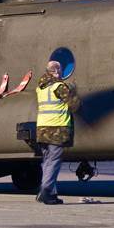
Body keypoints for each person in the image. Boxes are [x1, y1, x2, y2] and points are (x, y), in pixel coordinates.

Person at [33, 60, 79, 205]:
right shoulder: (59, 87)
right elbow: (74, 105)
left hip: (42, 129)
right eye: (59, 71)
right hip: (56, 129)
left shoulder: (40, 88)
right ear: (57, 71)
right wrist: (74, 91)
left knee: (47, 161)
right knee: (54, 161)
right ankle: (46, 191)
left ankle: (48, 192)